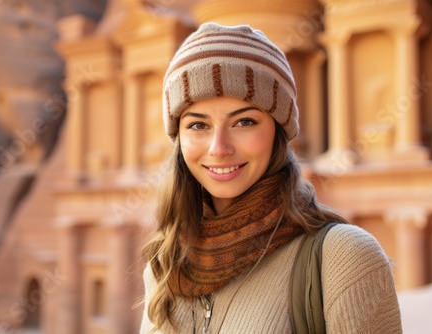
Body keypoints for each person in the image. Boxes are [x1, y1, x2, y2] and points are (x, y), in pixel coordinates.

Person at [139, 22, 402, 333]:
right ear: (178, 138)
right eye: (198, 125)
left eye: (244, 121)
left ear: (278, 131)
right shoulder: (165, 264)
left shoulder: (343, 258)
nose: (218, 148)